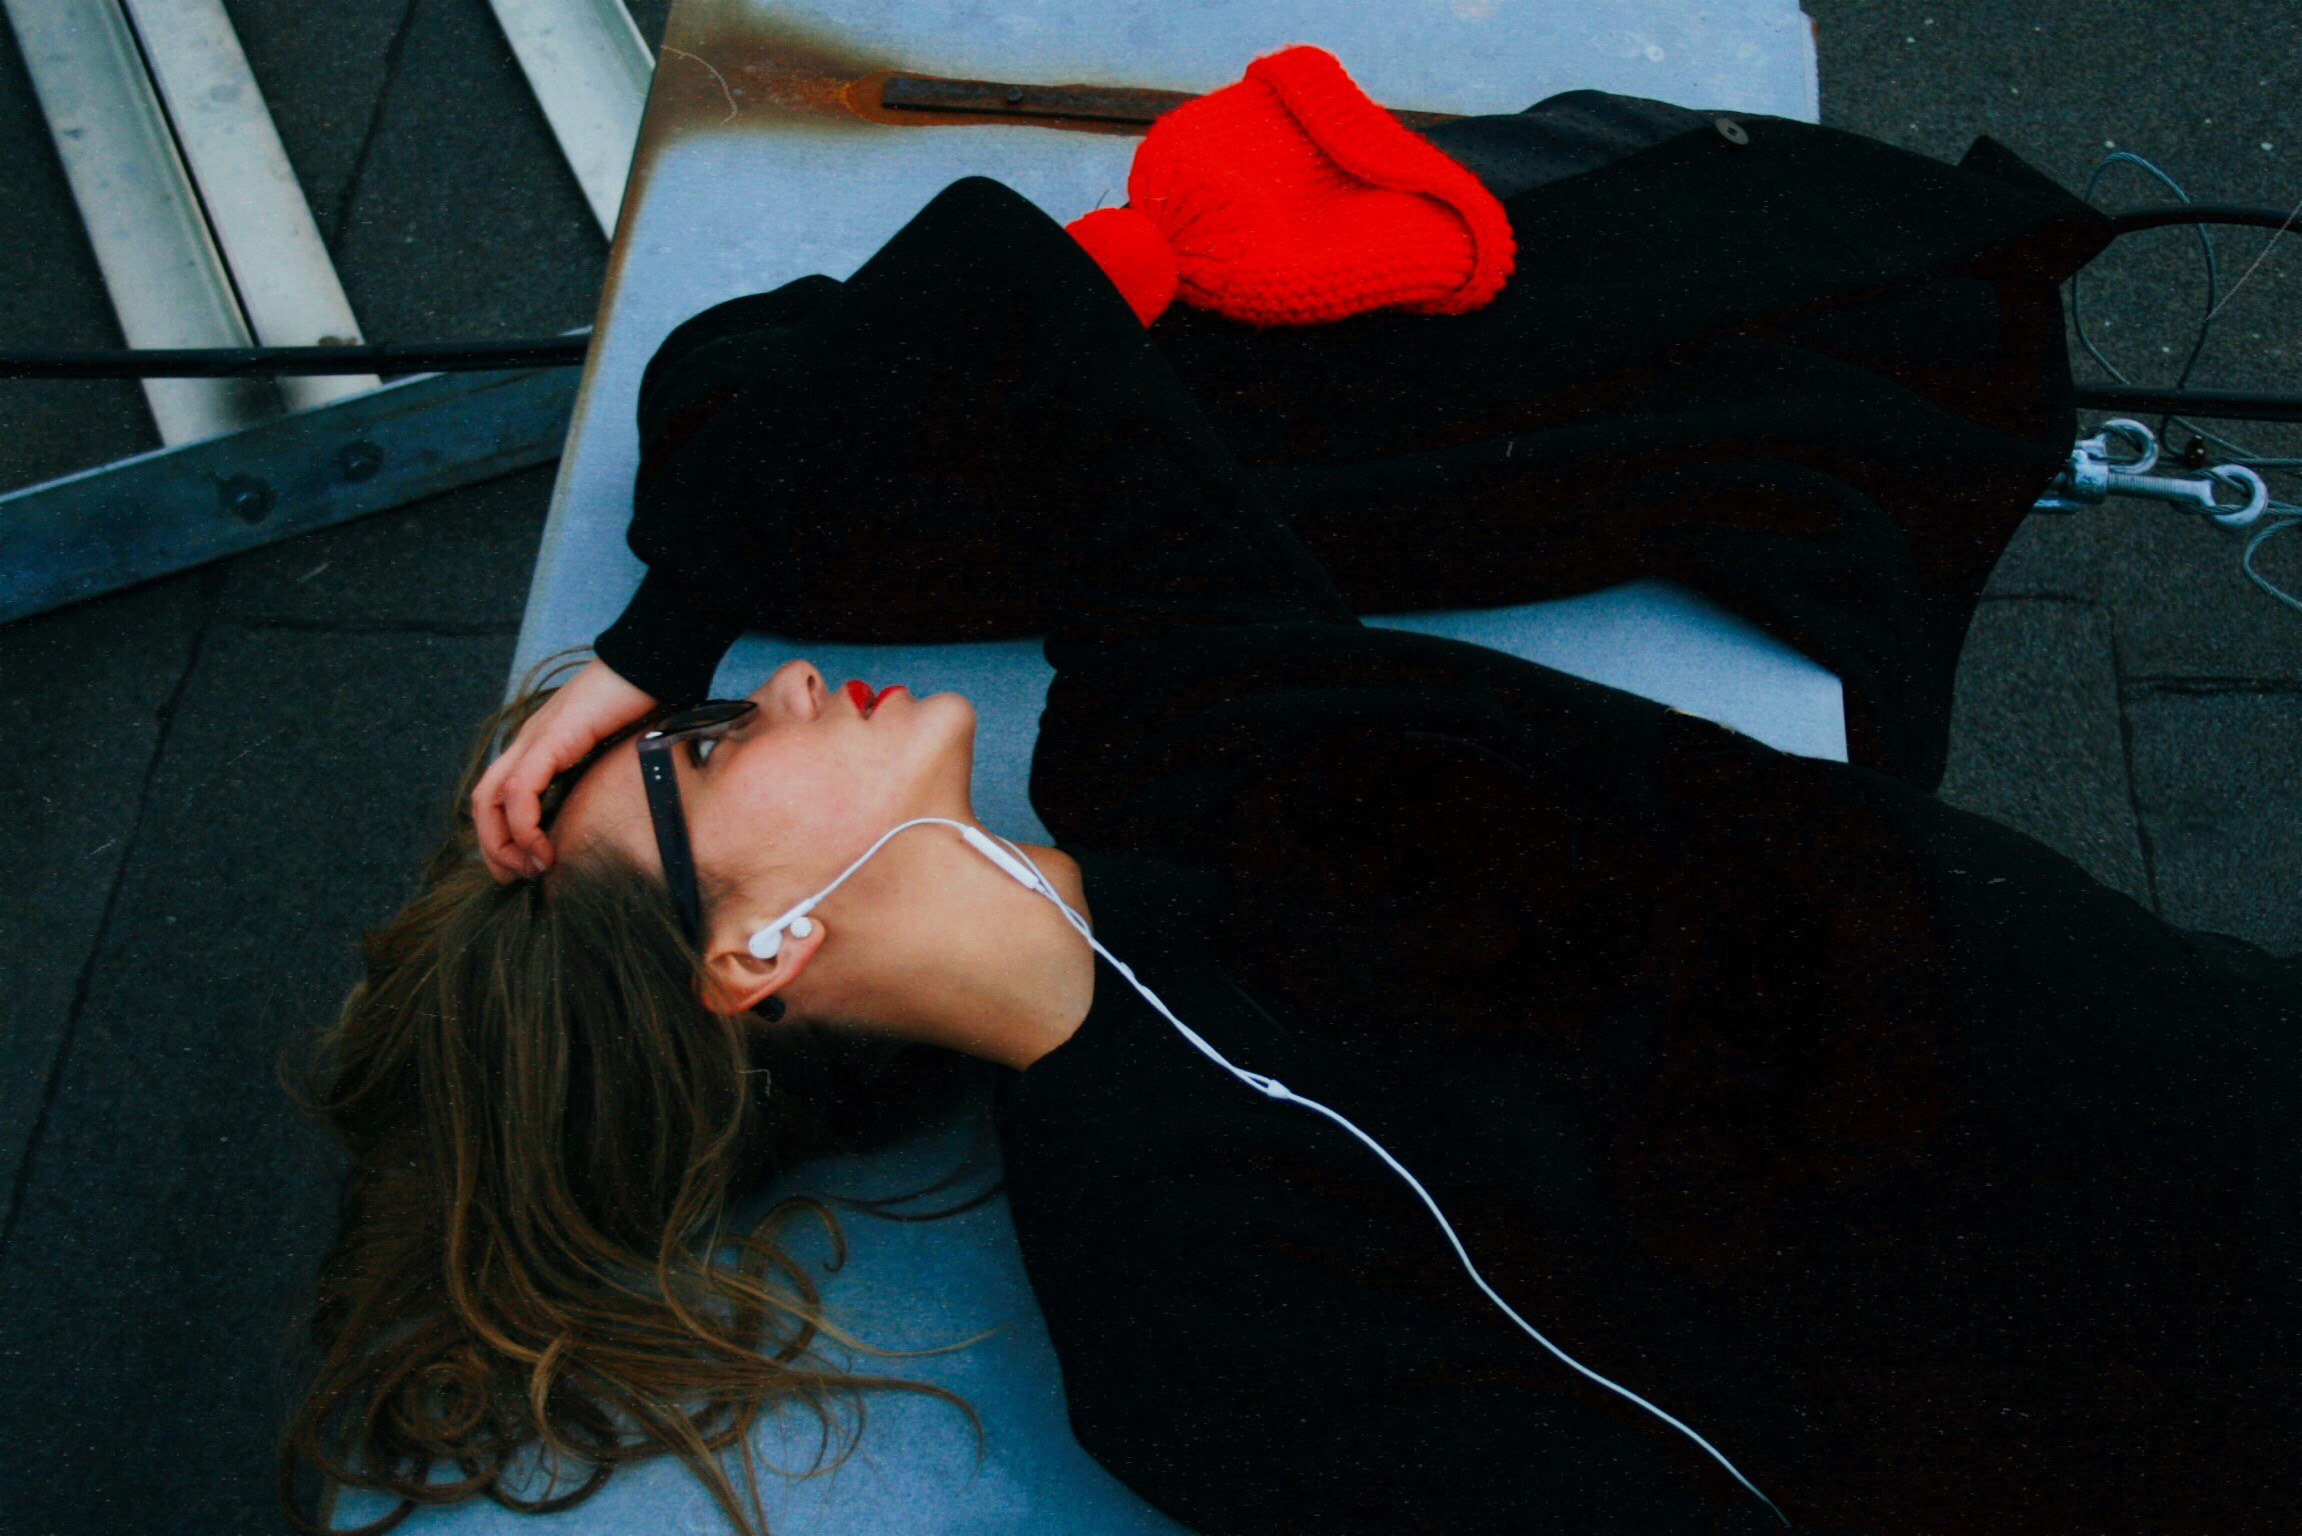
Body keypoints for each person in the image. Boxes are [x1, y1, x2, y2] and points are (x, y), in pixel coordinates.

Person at [286, 103, 2300, 1536]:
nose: (786, 683)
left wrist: (660, 630)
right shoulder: (1189, 1313)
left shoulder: (1185, 729)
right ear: (754, 953)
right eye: (718, 744)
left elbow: (1000, 281)